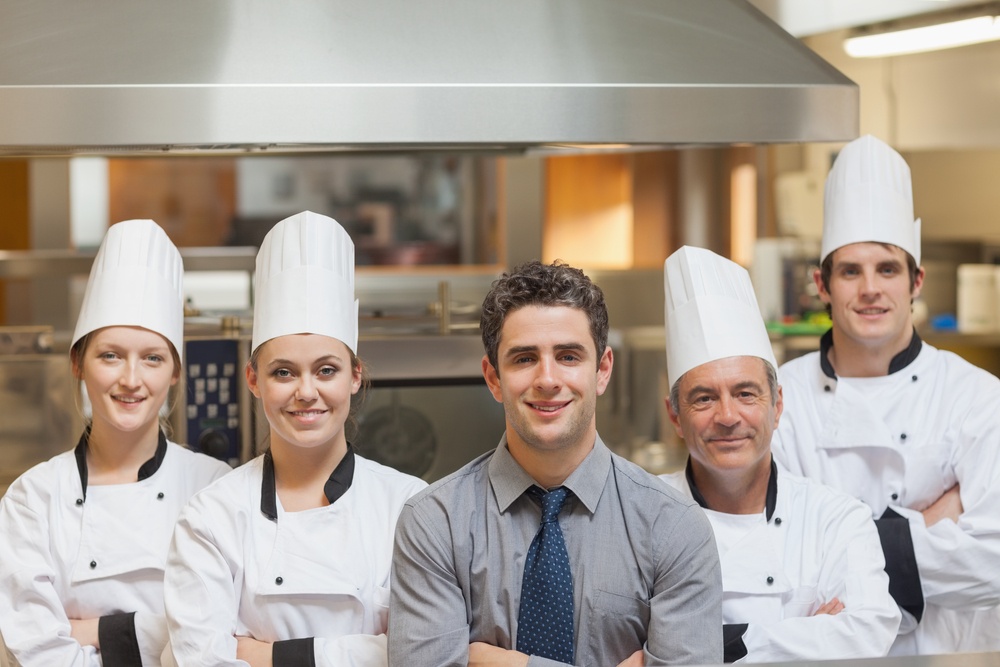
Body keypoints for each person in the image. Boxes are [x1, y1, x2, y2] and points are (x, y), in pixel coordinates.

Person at [389, 260, 723, 667]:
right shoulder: (434, 523)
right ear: (493, 378)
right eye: (524, 358)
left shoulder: (673, 527)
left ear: (602, 370)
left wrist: (503, 663)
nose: (547, 379)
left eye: (567, 356)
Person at [162, 211, 427, 667]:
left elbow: (424, 653)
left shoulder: (411, 507)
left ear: (355, 376)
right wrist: (365, 651)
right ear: (253, 379)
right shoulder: (211, 518)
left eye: (326, 369)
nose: (306, 392)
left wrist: (265, 655)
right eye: (283, 372)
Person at [772, 134, 1000, 655]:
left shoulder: (978, 398)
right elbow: (775, 560)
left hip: (952, 658)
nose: (870, 288)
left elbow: (994, 562)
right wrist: (932, 522)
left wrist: (842, 551)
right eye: (850, 271)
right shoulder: (779, 398)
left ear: (915, 281)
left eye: (888, 269)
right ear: (822, 285)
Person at [0, 219, 232, 666]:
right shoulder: (32, 499)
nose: (131, 379)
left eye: (152, 358)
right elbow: (31, 651)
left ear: (175, 371)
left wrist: (89, 631)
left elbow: (229, 638)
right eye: (110, 355)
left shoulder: (215, 487)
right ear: (78, 364)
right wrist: (164, 630)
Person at [658, 246, 900, 663]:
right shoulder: (643, 517)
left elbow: (870, 632)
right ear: (675, 417)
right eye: (703, 399)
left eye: (746, 393)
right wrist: (807, 633)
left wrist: (715, 644)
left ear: (778, 404)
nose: (728, 416)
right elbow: (612, 644)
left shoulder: (837, 519)